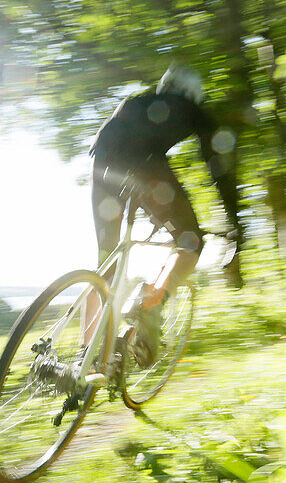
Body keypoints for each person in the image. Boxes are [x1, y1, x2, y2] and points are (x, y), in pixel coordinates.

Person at [88, 64, 245, 368]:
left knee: (105, 264)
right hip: (145, 167)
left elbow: (112, 140)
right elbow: (218, 169)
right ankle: (151, 303)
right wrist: (234, 225)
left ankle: (88, 358)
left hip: (100, 167)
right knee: (191, 243)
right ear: (192, 94)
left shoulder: (136, 101)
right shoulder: (192, 109)